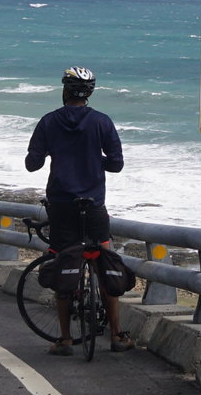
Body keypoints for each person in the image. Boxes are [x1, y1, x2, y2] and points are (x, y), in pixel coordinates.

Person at [25, 66, 131, 355]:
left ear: (65, 90)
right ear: (91, 92)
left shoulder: (49, 122)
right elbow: (117, 164)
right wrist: (95, 161)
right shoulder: (102, 122)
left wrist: (49, 154)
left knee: (64, 265)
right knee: (105, 263)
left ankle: (65, 339)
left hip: (61, 207)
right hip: (94, 207)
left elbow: (32, 164)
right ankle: (118, 335)